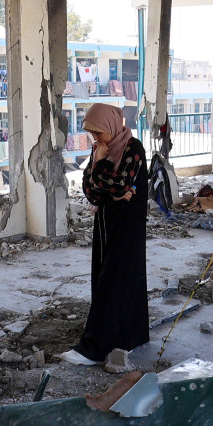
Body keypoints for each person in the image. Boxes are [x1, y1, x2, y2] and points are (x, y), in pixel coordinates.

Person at [61, 104, 149, 366]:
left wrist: (102, 171)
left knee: (116, 280)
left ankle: (94, 348)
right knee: (105, 278)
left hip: (127, 225)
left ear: (112, 126)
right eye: (92, 134)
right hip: (104, 223)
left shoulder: (133, 148)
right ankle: (129, 337)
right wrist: (104, 176)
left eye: (99, 133)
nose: (95, 139)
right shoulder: (100, 150)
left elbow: (121, 184)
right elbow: (91, 190)